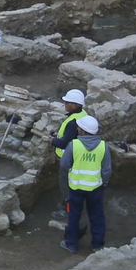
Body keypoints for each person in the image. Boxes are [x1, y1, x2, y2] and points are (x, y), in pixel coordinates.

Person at [59, 114, 111, 255]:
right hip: (95, 188)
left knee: (74, 215)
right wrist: (103, 183)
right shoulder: (103, 146)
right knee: (97, 215)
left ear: (82, 131)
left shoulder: (74, 145)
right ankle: (97, 245)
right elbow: (106, 170)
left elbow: (64, 164)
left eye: (79, 128)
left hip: (75, 187)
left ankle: (71, 244)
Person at [49, 88, 86, 228]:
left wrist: (52, 140)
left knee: (66, 185)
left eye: (67, 102)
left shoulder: (73, 122)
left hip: (68, 159)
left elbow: (65, 142)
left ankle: (67, 209)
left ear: (75, 105)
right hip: (76, 156)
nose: (64, 103)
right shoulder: (82, 115)